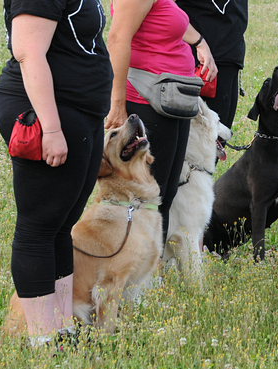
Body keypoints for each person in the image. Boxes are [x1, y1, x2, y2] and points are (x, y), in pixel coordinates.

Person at [0, 0, 112, 346]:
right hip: (48, 114)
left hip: (79, 111)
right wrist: (53, 129)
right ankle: (42, 339)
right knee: (38, 227)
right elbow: (29, 53)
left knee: (61, 225)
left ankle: (64, 329)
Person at [104, 0, 217, 241]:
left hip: (172, 100)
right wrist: (117, 105)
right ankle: (138, 271)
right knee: (147, 199)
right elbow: (117, 39)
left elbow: (167, 20)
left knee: (164, 194)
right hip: (147, 101)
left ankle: (153, 271)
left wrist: (200, 43)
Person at [176, 0, 248, 128]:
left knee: (220, 137)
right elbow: (166, 8)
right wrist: (199, 43)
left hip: (230, 56)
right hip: (200, 62)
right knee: (202, 139)